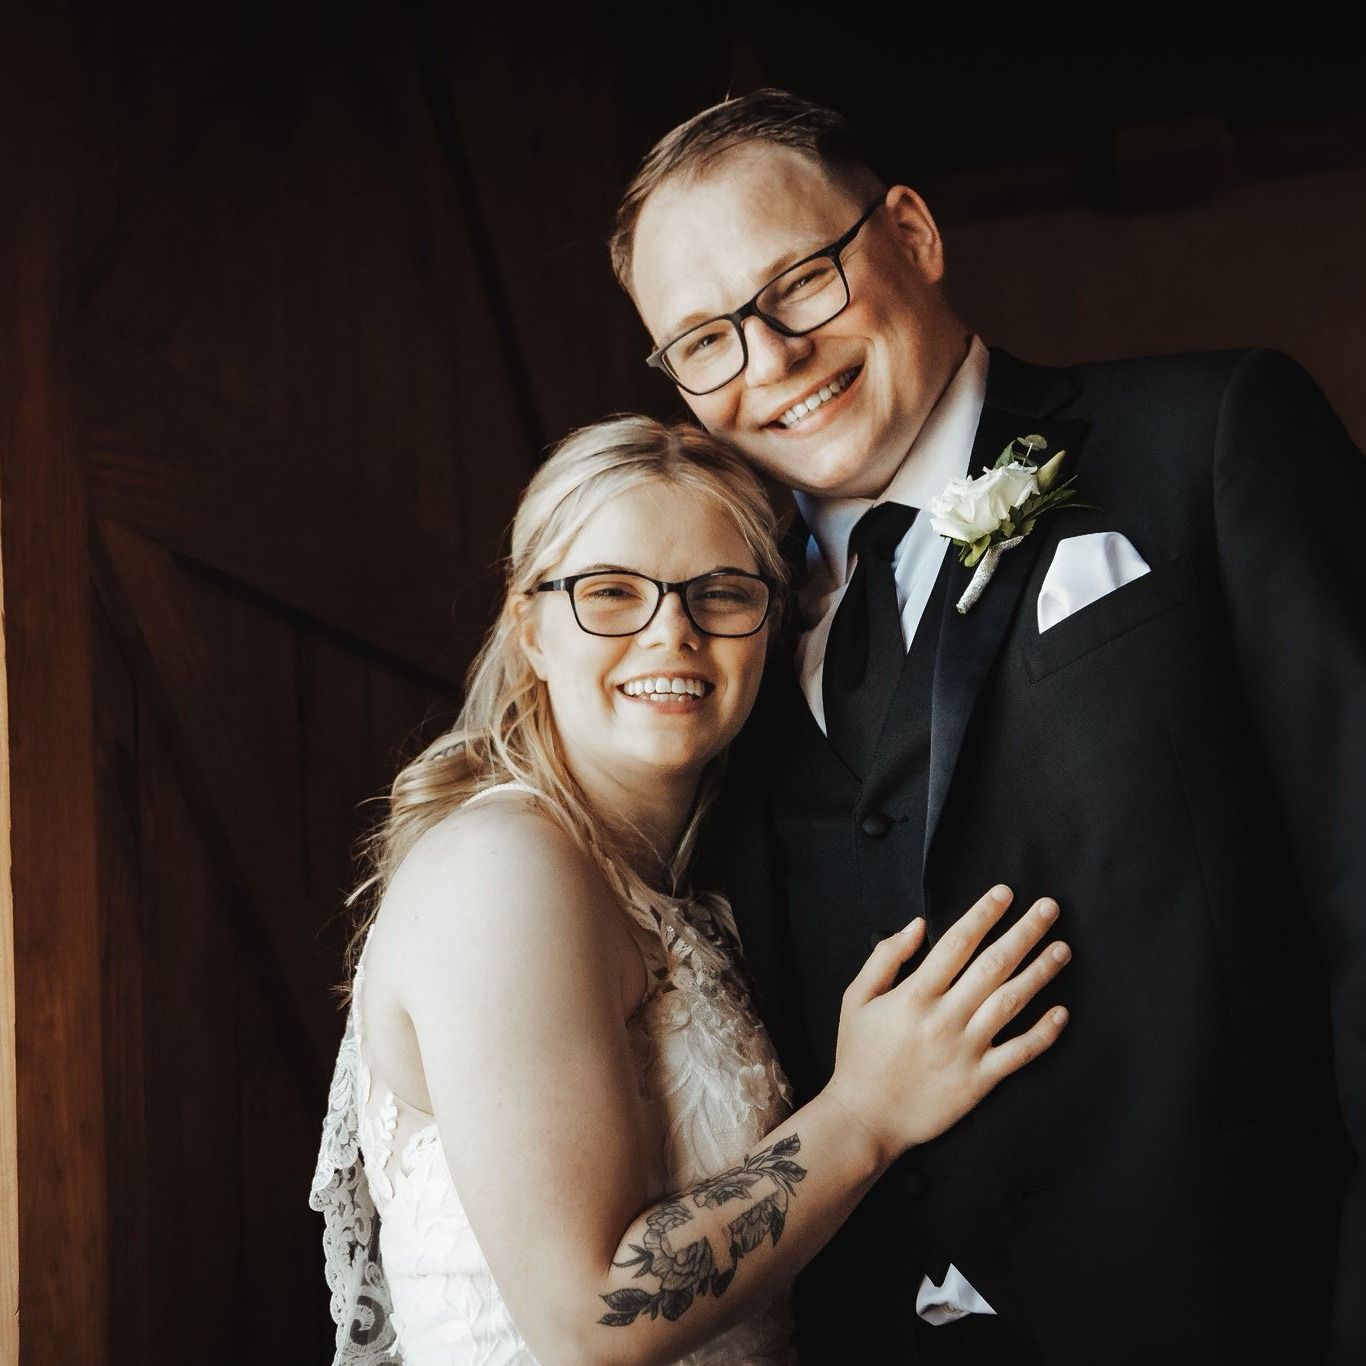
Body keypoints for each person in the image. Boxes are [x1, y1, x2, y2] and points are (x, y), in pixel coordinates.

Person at [610, 90, 1366, 1365]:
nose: (769, 360)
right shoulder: (716, 631)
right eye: (703, 341)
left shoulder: (1208, 438)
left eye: (798, 283)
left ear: (910, 232)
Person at [310, 416, 1072, 1365]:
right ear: (530, 628)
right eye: (611, 592)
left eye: (720, 593)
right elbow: (586, 1320)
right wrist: (865, 1113)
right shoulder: (503, 869)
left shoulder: (696, 884)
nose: (672, 632)